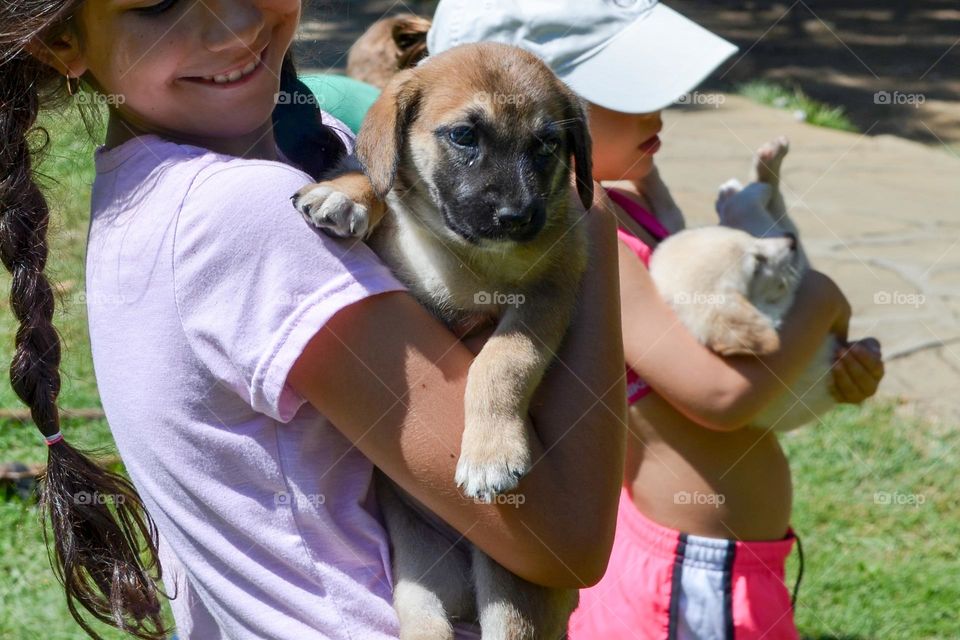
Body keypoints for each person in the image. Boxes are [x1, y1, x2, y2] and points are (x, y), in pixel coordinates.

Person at [2, 1, 627, 638]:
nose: (233, 25)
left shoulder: (244, 165)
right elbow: (566, 538)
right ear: (61, 43)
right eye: (159, 4)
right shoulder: (243, 215)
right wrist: (584, 222)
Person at [423, 0, 886, 637]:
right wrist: (823, 297)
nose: (656, 114)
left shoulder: (631, 209)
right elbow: (718, 397)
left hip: (722, 561)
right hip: (688, 573)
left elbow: (735, 362)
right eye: (630, 96)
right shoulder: (593, 238)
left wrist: (820, 376)